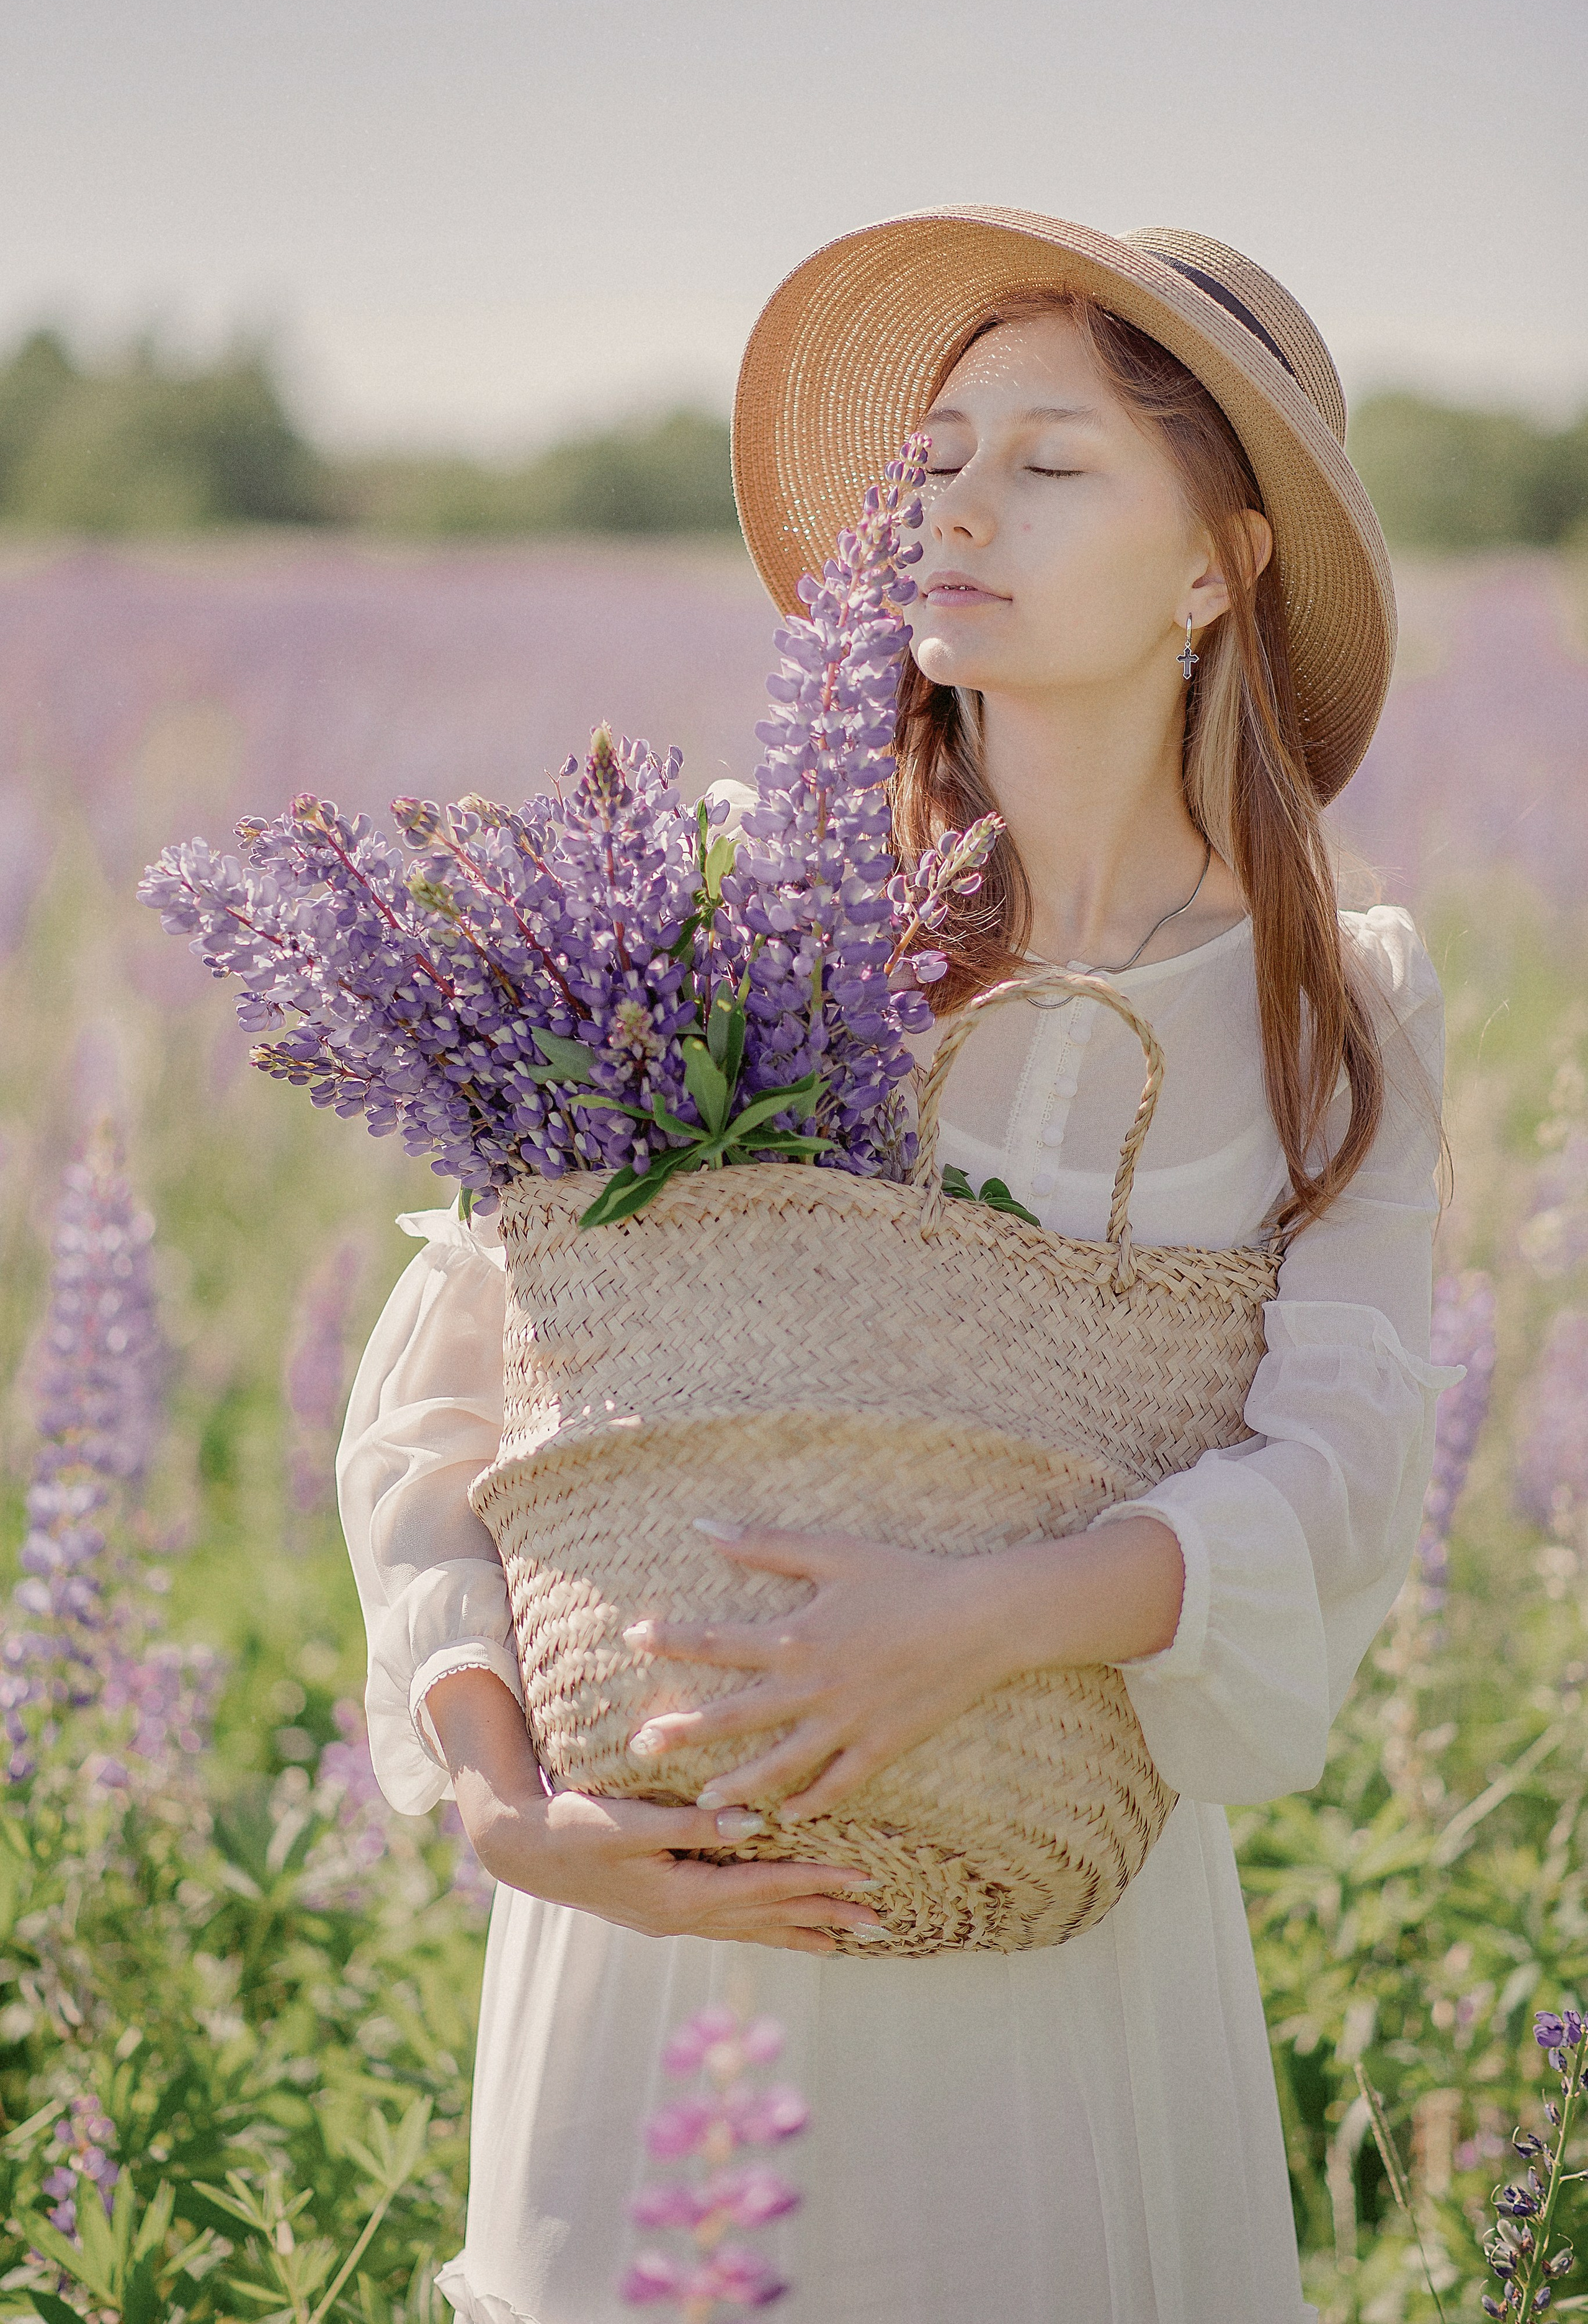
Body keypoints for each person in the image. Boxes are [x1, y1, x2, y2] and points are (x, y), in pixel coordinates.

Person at [336, 208, 1458, 2323]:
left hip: (1046, 1950)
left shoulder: (1335, 1002)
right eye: (937, 458)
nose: (956, 505)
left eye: (1051, 462)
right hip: (664, 1910)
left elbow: (1344, 1474)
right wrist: (502, 1805)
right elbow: (447, 1391)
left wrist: (977, 1623)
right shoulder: (739, 898)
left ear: (1222, 561)